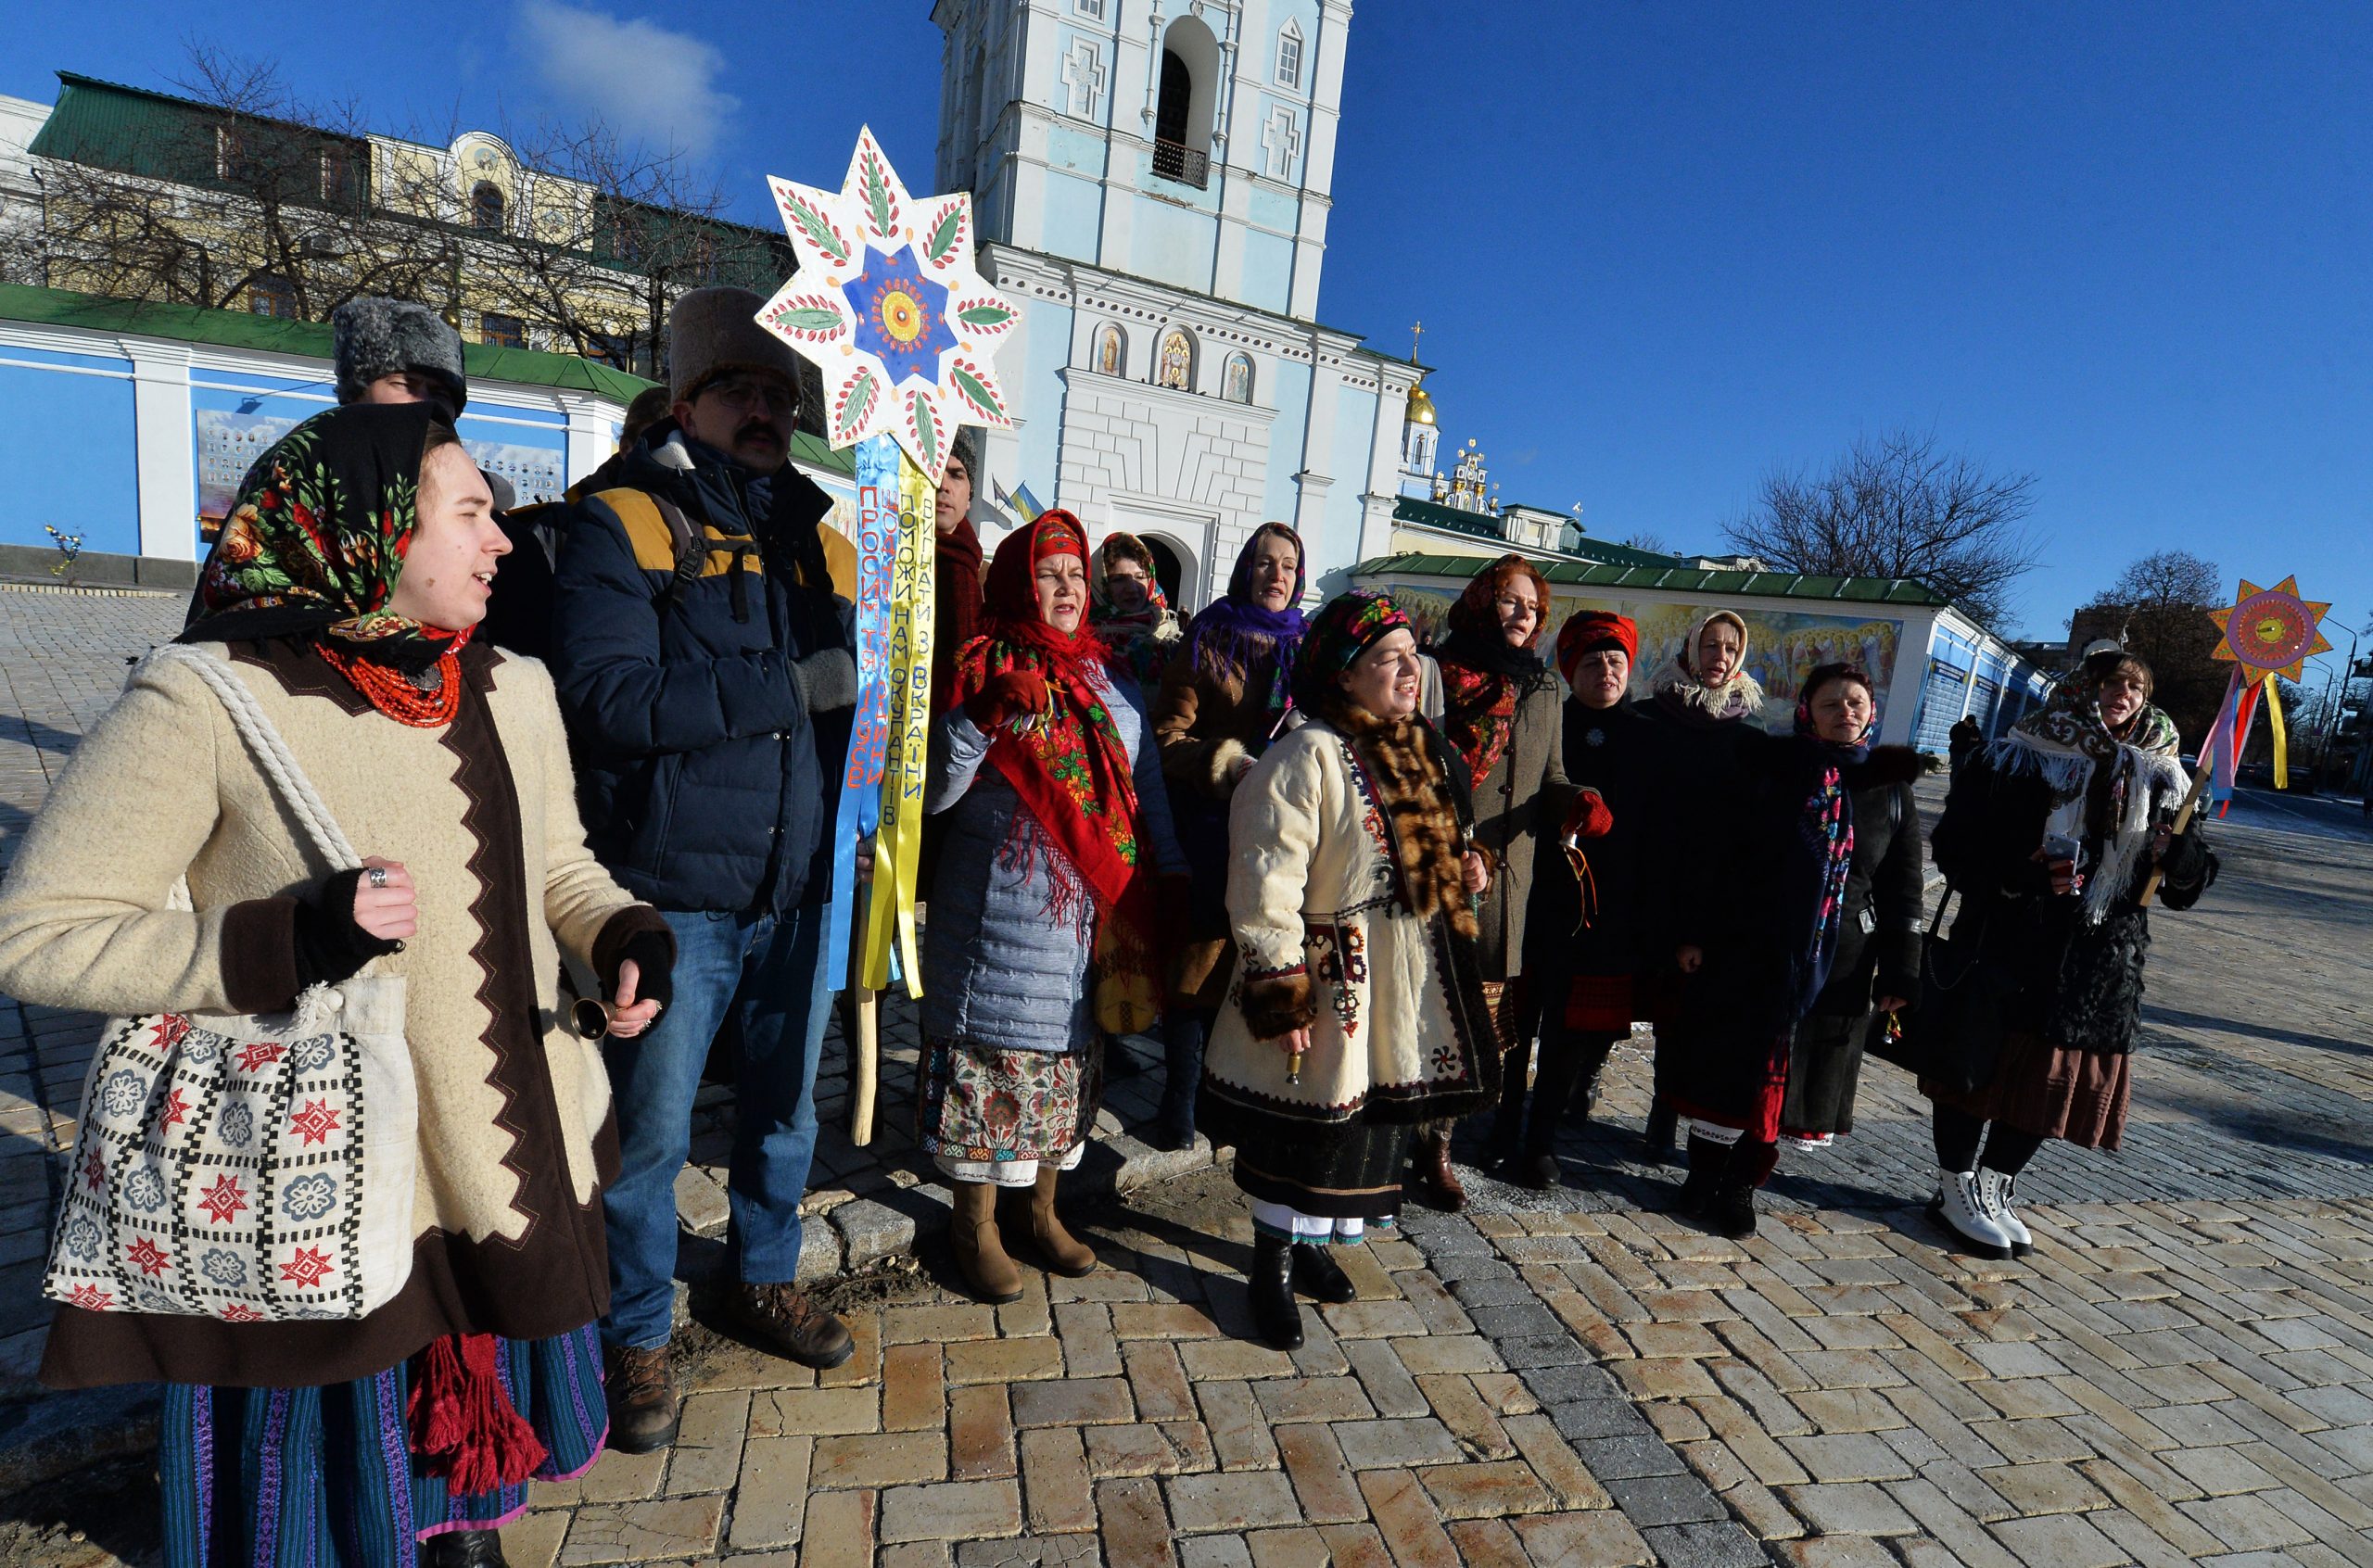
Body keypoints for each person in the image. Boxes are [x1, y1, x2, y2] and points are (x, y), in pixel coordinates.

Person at [0, 404, 670, 1568]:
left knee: (468, 1490)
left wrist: (619, 931)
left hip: (506, 1158)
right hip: (321, 1190)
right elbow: (38, 934)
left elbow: (559, 861)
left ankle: (465, 1534)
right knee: (318, 1502)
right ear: (369, 534)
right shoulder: (210, 697)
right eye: (471, 513)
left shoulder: (513, 681)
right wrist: (282, 943)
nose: (502, 541)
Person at [549, 285, 859, 1452]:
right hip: (676, 890)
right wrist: (783, 689)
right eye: (739, 389)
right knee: (653, 1132)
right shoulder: (626, 518)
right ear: (685, 400)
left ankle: (757, 1276)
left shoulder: (823, 541)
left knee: (786, 1113)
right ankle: (633, 1333)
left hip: (800, 884)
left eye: (781, 394)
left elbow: (862, 723)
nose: (765, 411)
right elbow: (607, 699)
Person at [1199, 590, 1497, 1349]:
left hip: (1396, 980)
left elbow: (1432, 849)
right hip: (1327, 979)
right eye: (1388, 659)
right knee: (1304, 1127)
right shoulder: (1309, 754)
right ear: (1346, 674)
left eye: (1410, 656)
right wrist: (1279, 984)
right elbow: (1265, 877)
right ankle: (1272, 1264)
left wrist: (1461, 865)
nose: (1408, 670)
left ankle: (1315, 1246)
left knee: (1364, 1129)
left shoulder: (1415, 749)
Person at [920, 511, 1186, 1302]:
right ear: (1017, 582)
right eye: (1049, 573)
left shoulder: (1109, 679)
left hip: (1085, 921)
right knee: (990, 1065)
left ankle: (1040, 1212)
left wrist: (1167, 872)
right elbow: (931, 794)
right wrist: (982, 716)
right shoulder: (980, 661)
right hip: (996, 914)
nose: (1067, 588)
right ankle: (976, 1226)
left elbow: (1147, 797)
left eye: (1076, 574)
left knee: (1068, 1067)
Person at [1921, 650, 2214, 1258]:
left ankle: (1996, 1188)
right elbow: (1956, 845)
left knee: (2049, 1083)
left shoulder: (2165, 774)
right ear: (2082, 689)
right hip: (2008, 940)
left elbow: (2187, 884)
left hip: (2096, 958)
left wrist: (2176, 855)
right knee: (1976, 1071)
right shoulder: (2021, 753)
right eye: (2111, 684)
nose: (2122, 696)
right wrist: (2021, 874)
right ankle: (1953, 1188)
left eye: (2135, 686)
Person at [1664, 664, 1927, 1238]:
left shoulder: (1888, 787)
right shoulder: (1766, 766)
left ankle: (1741, 1185)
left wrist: (1900, 971)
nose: (1845, 711)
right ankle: (1702, 1175)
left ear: (1871, 711)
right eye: (1830, 702)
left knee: (1790, 1081)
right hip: (1746, 946)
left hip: (1834, 961)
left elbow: (1904, 888)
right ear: (1806, 709)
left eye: (1855, 702)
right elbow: (1716, 857)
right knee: (1725, 1067)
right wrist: (1694, 932)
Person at [1148, 523, 1310, 1149]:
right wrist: (1226, 762)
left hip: (1283, 830)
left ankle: (1231, 1092)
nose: (1277, 575)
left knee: (1262, 955)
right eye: (1265, 563)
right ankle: (1179, 1094)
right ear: (1246, 569)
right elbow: (1167, 736)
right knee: (1202, 958)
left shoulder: (1308, 649)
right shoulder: (1209, 635)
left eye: (1289, 566)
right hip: (1214, 821)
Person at [1419, 554, 1575, 1208]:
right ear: (1484, 600)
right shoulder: (1440, 672)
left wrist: (1576, 802)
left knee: (1469, 1021)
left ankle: (1437, 1147)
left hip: (1509, 888)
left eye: (1534, 607)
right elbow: (1420, 767)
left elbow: (1552, 775)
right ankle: (1386, 1131)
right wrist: (1457, 841)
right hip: (1440, 869)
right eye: (1511, 601)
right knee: (1421, 1010)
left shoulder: (1544, 688)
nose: (1523, 615)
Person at [1501, 611, 1649, 1189]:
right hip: (1536, 894)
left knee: (1569, 1032)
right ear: (1570, 670)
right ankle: (1502, 1124)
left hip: (1602, 907)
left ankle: (1541, 1140)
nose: (1605, 671)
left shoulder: (1646, 734)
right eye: (1592, 662)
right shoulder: (1548, 719)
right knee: (1517, 1023)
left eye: (1616, 661)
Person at [1634, 608, 1768, 1160]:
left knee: (1680, 1007)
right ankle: (1579, 1082)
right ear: (1690, 649)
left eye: (1730, 649)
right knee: (1618, 986)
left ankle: (1664, 1110)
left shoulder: (1749, 732)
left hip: (1710, 886)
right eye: (1710, 645)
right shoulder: (1650, 716)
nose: (1719, 657)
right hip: (1647, 875)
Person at [332, 296, 470, 423]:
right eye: (405, 385)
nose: (425, 402)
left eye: (439, 393)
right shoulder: (320, 447)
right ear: (357, 395)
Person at [1088, 530, 1184, 695]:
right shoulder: (1084, 640)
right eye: (1118, 579)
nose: (1132, 588)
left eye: (1140, 577)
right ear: (1100, 584)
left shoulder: (1168, 639)